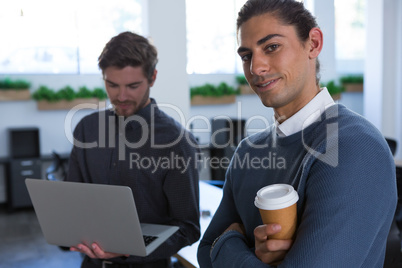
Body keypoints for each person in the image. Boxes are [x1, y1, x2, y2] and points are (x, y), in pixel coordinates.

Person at [197, 0, 397, 267]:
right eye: (246, 56)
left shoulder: (354, 147)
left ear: (313, 43)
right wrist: (246, 253)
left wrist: (228, 243)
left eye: (272, 47)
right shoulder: (247, 151)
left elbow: (215, 247)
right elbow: (203, 252)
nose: (256, 68)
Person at [66, 31, 200, 268]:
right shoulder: (86, 130)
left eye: (133, 85)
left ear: (152, 78)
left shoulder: (176, 142)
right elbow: (72, 205)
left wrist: (128, 251)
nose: (121, 96)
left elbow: (188, 229)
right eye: (112, 85)